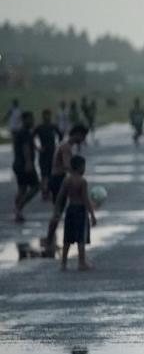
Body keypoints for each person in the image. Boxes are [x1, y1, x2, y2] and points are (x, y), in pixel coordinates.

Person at [44, 125, 88, 254]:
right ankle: (49, 241)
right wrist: (78, 178)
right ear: (77, 134)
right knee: (57, 212)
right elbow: (68, 166)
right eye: (83, 136)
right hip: (58, 180)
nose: (83, 139)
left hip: (57, 179)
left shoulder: (65, 145)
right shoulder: (66, 147)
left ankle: (49, 241)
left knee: (57, 211)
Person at [54, 155, 96, 270]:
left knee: (67, 238)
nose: (84, 169)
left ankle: (63, 263)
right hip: (80, 211)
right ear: (80, 167)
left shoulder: (67, 180)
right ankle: (81, 262)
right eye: (84, 166)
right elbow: (85, 199)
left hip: (70, 209)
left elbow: (60, 196)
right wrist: (92, 214)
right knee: (80, 238)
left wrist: (56, 210)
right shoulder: (82, 181)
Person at [13, 111, 39, 223]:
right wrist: (29, 163)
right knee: (36, 186)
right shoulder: (24, 133)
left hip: (18, 164)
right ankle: (19, 207)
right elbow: (26, 148)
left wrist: (38, 149)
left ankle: (19, 212)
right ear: (25, 120)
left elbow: (29, 145)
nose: (32, 121)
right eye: (30, 119)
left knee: (22, 188)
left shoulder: (23, 132)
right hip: (24, 165)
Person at [33, 109, 63, 202]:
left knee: (51, 174)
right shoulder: (39, 127)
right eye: (45, 115)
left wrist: (58, 146)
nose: (47, 117)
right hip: (43, 153)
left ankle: (49, 191)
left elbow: (61, 136)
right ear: (43, 116)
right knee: (44, 174)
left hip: (53, 152)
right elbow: (31, 138)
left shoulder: (53, 126)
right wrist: (38, 148)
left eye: (48, 115)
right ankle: (44, 192)